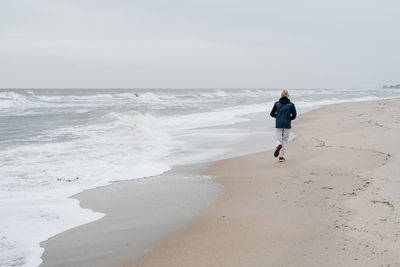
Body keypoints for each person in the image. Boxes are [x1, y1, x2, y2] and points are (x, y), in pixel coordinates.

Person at [270, 89, 297, 162]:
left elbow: (272, 114)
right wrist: (288, 118)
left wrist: (278, 116)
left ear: (281, 95)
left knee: (278, 139)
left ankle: (278, 145)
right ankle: (281, 157)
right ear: (288, 95)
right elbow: (294, 115)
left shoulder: (277, 104)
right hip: (287, 124)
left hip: (279, 124)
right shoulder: (291, 105)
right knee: (285, 140)